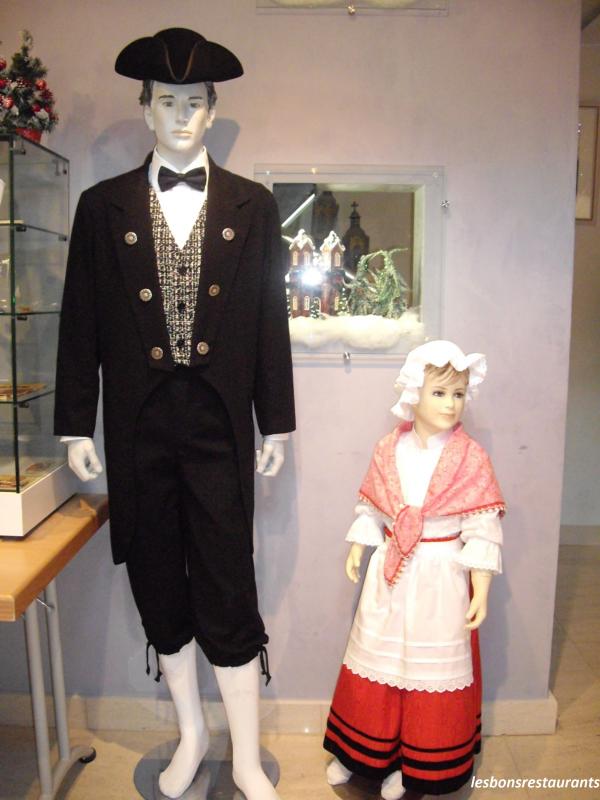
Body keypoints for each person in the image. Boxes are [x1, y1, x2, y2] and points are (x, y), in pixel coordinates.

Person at [54, 28, 295, 800]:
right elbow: (81, 321)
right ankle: (192, 734)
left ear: (213, 109)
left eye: (195, 103)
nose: (182, 116)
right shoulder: (102, 208)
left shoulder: (254, 206)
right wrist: (75, 422)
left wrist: (276, 421)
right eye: (168, 102)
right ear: (146, 110)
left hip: (221, 425)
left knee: (227, 581)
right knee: (157, 576)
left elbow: (269, 320)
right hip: (138, 425)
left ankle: (246, 756)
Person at [323, 340, 505, 799]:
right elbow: (372, 507)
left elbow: (482, 528)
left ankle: (413, 765)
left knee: (425, 673)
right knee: (376, 662)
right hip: (390, 574)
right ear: (413, 393)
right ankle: (359, 754)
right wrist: (359, 546)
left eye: (458, 394)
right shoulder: (388, 449)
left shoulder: (471, 458)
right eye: (439, 393)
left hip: (439, 578)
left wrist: (481, 586)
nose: (450, 404)